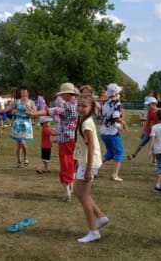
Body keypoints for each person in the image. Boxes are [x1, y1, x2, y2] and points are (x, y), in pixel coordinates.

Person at [28, 82, 79, 202]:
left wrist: (36, 113)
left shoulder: (67, 106)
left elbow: (51, 111)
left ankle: (67, 191)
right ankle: (71, 187)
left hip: (65, 138)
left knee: (65, 163)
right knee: (73, 162)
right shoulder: (79, 104)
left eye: (62, 95)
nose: (61, 97)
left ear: (67, 94)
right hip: (76, 138)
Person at [73, 95, 108, 243]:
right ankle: (100, 217)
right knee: (77, 191)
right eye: (79, 105)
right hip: (85, 161)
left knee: (84, 196)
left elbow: (92, 146)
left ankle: (93, 231)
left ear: (91, 108)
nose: (80, 108)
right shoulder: (83, 121)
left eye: (84, 106)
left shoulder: (86, 123)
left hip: (89, 162)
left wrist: (87, 170)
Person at [1, 86, 36, 167]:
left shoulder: (31, 102)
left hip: (26, 124)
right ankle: (18, 161)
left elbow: (35, 112)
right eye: (21, 92)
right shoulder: (17, 101)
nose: (23, 93)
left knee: (23, 142)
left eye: (24, 92)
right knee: (18, 144)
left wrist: (30, 112)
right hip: (17, 123)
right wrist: (1, 110)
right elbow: (8, 109)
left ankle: (26, 157)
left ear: (28, 93)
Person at [100, 83, 127, 181]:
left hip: (103, 131)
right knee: (119, 152)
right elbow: (115, 117)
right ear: (116, 93)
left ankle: (92, 170)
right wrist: (123, 123)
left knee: (110, 153)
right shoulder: (117, 103)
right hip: (112, 132)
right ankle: (115, 174)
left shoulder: (105, 102)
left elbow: (102, 116)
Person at [127, 96, 158, 163]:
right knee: (141, 143)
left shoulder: (158, 112)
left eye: (149, 105)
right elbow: (147, 121)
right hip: (148, 131)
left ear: (153, 104)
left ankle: (154, 160)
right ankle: (134, 155)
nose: (148, 106)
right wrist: (143, 131)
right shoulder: (149, 111)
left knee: (153, 146)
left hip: (155, 133)